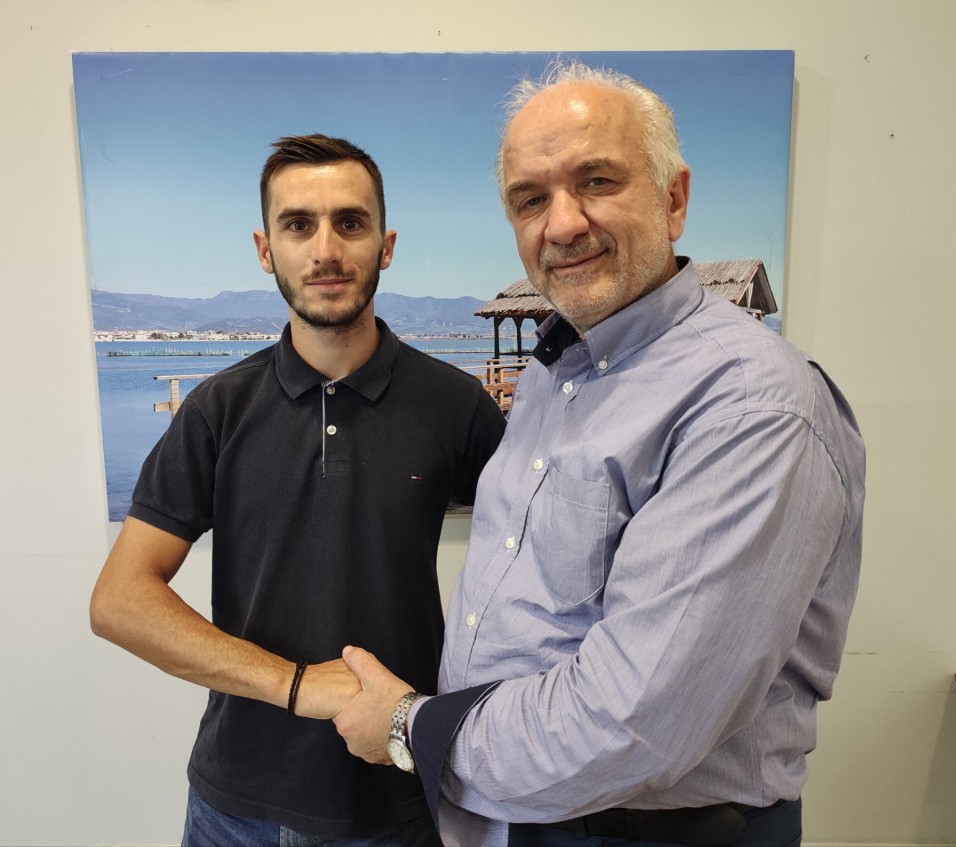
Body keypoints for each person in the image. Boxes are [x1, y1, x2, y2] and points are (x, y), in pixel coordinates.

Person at [329, 62, 866, 847]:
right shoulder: (556, 375)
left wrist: (410, 724)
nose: (563, 223)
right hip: (515, 814)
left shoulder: (750, 402)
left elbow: (636, 720)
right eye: (530, 199)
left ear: (674, 199)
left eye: (597, 181)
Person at [89, 134, 506, 846]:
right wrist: (296, 683)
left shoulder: (456, 406)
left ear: (386, 245)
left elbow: (532, 576)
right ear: (265, 249)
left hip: (400, 794)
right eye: (298, 225)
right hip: (234, 807)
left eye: (351, 222)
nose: (326, 249)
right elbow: (119, 600)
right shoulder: (217, 410)